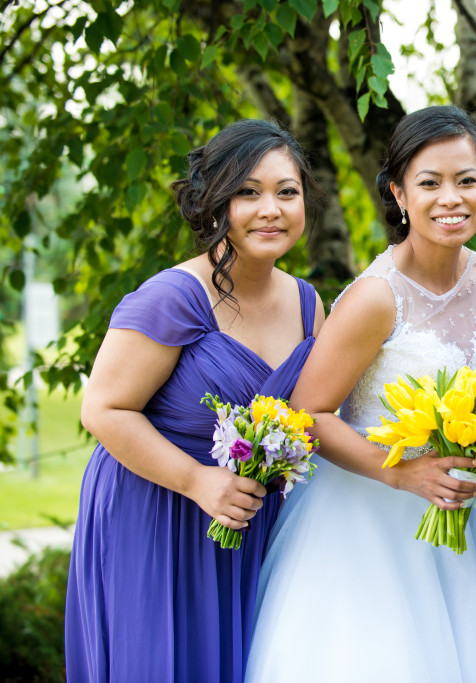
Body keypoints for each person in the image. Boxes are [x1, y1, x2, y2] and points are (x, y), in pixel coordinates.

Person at [245, 105, 476, 682]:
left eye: (467, 181)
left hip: (467, 518)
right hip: (369, 522)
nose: (451, 197)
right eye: (429, 183)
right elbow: (308, 414)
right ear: (399, 193)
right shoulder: (377, 297)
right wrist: (401, 474)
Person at [64, 119, 326, 683]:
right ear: (215, 203)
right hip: (156, 511)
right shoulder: (173, 297)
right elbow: (103, 410)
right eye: (247, 192)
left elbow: (316, 418)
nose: (270, 209)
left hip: (247, 519)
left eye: (287, 191)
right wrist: (196, 481)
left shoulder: (309, 306)